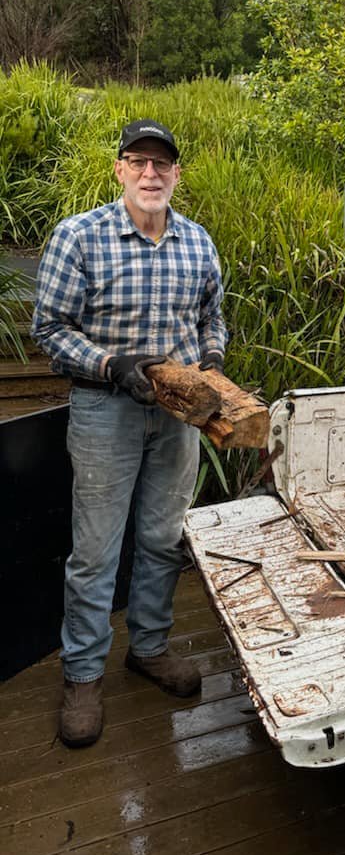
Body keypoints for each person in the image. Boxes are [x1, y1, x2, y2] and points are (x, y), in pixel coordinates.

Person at [32, 118, 227, 748]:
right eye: (138, 161)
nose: (150, 173)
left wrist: (212, 363)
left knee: (163, 539)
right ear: (119, 169)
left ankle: (148, 648)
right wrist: (112, 365)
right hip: (104, 411)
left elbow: (212, 318)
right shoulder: (79, 236)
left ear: (176, 174)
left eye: (161, 163)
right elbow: (50, 329)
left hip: (178, 415)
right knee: (95, 551)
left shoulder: (197, 242)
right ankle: (83, 674)